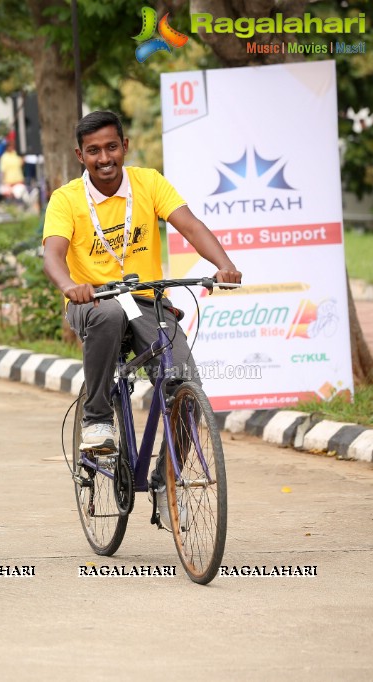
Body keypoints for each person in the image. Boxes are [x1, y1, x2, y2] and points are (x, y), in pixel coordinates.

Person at [42, 110, 242, 456]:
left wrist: (224, 265)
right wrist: (68, 286)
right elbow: (53, 255)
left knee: (186, 386)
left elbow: (191, 227)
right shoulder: (66, 199)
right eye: (93, 151)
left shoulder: (148, 183)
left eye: (112, 147)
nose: (104, 158)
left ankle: (166, 479)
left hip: (146, 301)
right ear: (80, 155)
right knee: (109, 315)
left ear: (125, 146)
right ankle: (97, 418)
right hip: (93, 302)